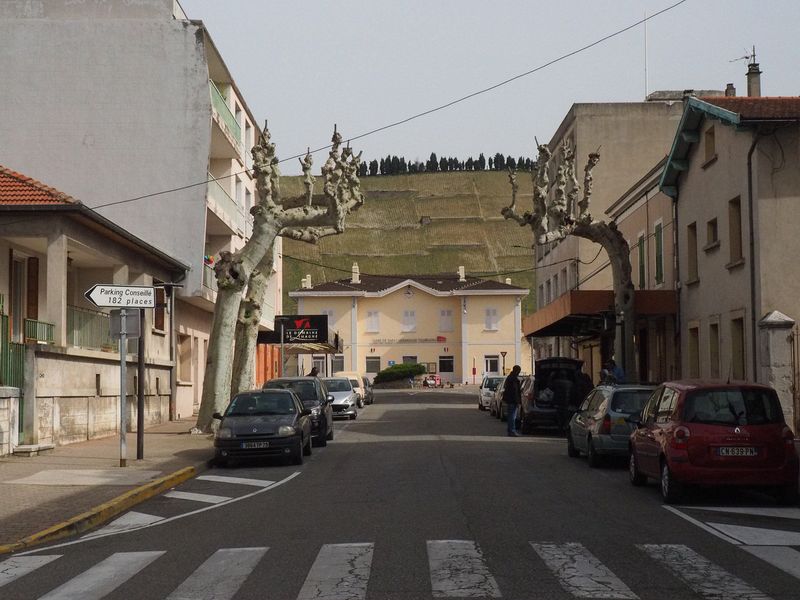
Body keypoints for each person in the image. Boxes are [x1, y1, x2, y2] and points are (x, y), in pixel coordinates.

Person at [502, 365, 522, 436]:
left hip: (510, 400)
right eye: (519, 371)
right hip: (512, 400)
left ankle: (510, 430)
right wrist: (518, 401)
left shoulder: (510, 378)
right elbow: (514, 391)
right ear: (516, 371)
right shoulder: (513, 379)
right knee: (512, 416)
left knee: (511, 416)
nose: (519, 373)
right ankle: (512, 431)